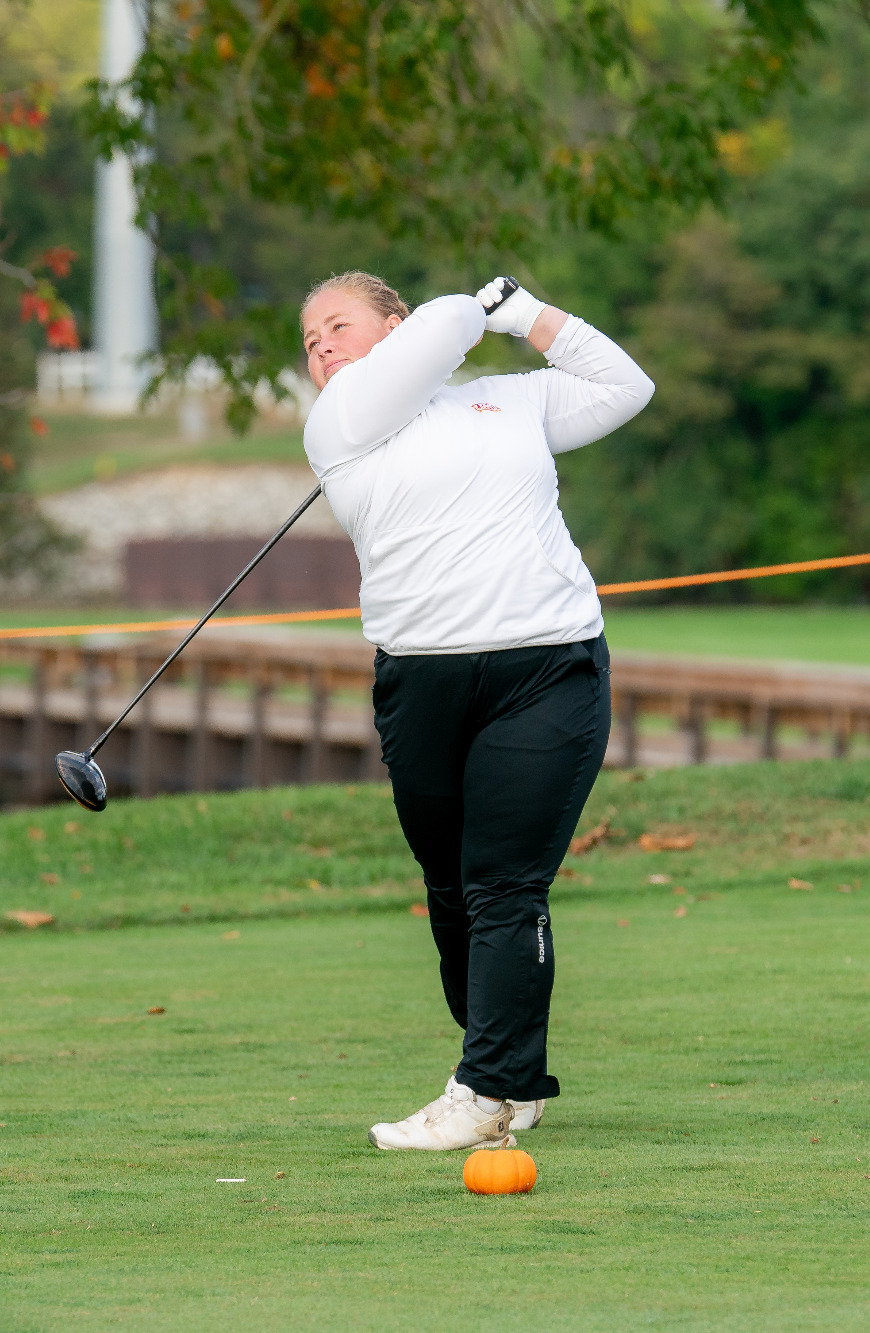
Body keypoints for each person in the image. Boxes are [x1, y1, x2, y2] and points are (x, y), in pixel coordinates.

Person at [299, 272, 655, 1151]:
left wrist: (528, 314)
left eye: (338, 325)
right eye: (309, 342)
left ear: (393, 322)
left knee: (502, 881)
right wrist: (469, 305)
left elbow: (624, 385)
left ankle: (486, 1087)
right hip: (421, 681)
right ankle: (508, 1071)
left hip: (548, 665)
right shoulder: (340, 417)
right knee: (452, 887)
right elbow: (445, 330)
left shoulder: (508, 400)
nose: (321, 349)